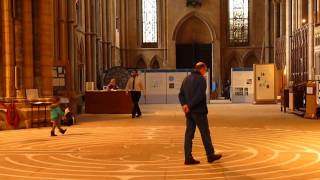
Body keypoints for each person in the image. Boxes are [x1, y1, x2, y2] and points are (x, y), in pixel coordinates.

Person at [179, 62, 222, 165]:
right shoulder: (202, 79)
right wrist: (189, 106)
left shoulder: (186, 79)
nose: (205, 71)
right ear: (201, 69)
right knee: (205, 134)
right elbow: (199, 96)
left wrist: (184, 105)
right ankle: (210, 155)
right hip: (199, 112)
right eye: (205, 69)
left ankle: (188, 157)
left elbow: (180, 94)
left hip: (189, 113)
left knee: (189, 135)